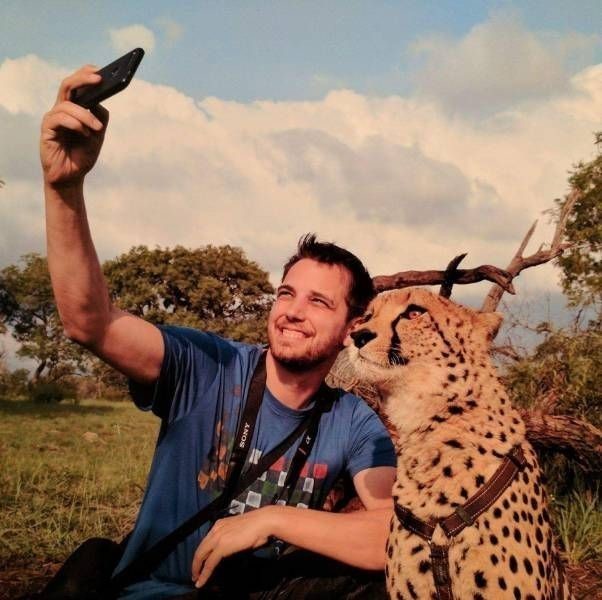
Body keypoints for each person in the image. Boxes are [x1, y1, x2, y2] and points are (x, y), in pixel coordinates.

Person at [40, 66, 396, 599]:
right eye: (287, 293)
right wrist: (64, 187)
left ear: (352, 327)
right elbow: (89, 322)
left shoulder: (353, 422)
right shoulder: (208, 367)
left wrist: (273, 519)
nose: (293, 311)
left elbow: (391, 532)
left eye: (319, 301)